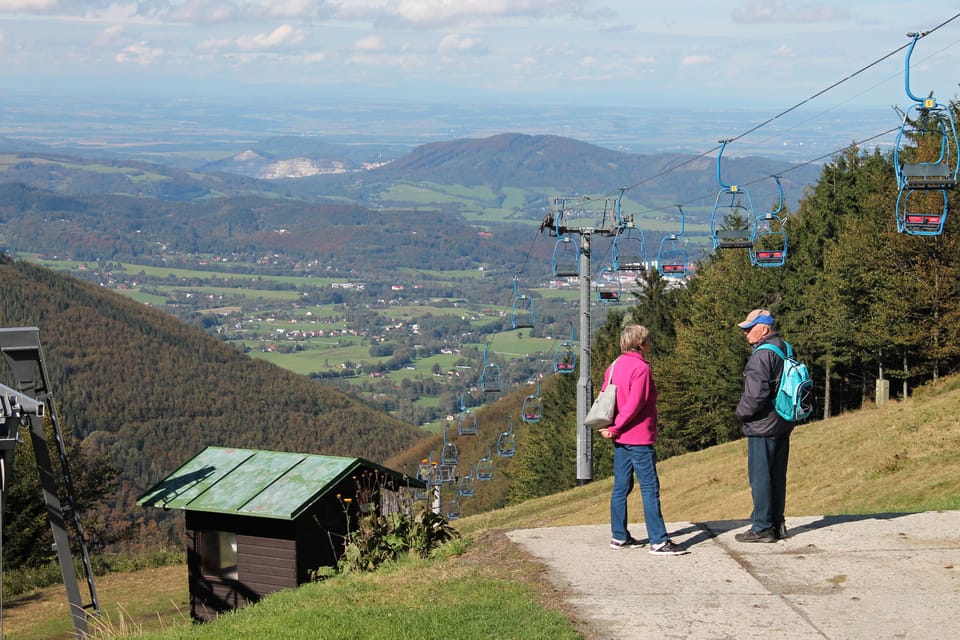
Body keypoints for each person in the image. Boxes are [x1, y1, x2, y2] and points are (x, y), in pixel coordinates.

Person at [598, 324, 689, 556]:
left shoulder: (614, 366)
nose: (650, 344)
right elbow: (635, 405)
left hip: (619, 438)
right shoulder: (641, 369)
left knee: (621, 487)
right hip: (638, 437)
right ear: (641, 344)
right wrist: (618, 428)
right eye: (648, 340)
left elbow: (606, 399)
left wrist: (611, 428)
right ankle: (658, 540)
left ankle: (619, 535)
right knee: (649, 488)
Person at [734, 308, 794, 543]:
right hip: (783, 420)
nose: (746, 333)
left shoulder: (761, 355)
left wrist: (741, 414)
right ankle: (777, 523)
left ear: (764, 329)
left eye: (750, 328)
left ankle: (761, 528)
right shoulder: (784, 347)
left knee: (760, 478)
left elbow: (755, 396)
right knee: (777, 475)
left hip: (762, 425)